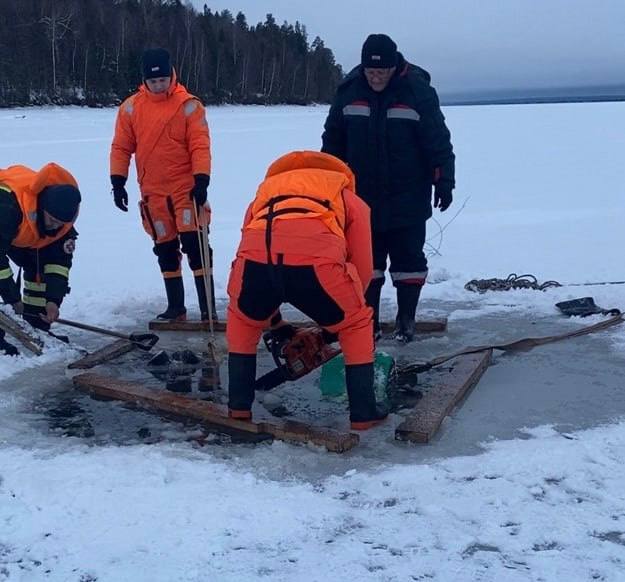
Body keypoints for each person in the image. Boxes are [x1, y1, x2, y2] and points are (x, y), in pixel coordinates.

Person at [226, 150, 389, 430]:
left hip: (254, 265)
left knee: (243, 320)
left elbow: (252, 250)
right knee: (357, 324)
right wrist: (341, 322)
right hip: (317, 266)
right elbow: (362, 264)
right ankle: (364, 414)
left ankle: (238, 407)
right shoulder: (347, 196)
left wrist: (274, 322)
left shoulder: (263, 197)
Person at [322, 33, 455, 342]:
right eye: (371, 72)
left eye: (382, 72)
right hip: (361, 198)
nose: (376, 77)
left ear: (394, 67)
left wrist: (444, 180)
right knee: (366, 265)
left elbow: (437, 139)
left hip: (408, 194)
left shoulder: (417, 91)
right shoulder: (348, 91)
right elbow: (332, 143)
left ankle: (406, 321)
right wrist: (327, 185)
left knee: (409, 263)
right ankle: (369, 322)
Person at [110, 48, 214, 321]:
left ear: (172, 76)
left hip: (185, 189)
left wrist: (201, 179)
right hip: (153, 192)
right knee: (165, 248)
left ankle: (208, 309)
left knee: (195, 244)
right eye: (153, 81)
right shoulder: (131, 108)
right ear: (144, 81)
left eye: (163, 80)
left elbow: (200, 145)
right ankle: (176, 307)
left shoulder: (189, 105)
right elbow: (121, 147)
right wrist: (117, 181)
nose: (158, 86)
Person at [0, 163, 81, 354]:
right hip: (6, 220)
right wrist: (13, 300)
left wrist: (53, 301)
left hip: (20, 232)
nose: (54, 227)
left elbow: (58, 265)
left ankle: (36, 325)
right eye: (51, 220)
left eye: (59, 224)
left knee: (39, 266)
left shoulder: (63, 227)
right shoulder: (8, 205)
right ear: (40, 206)